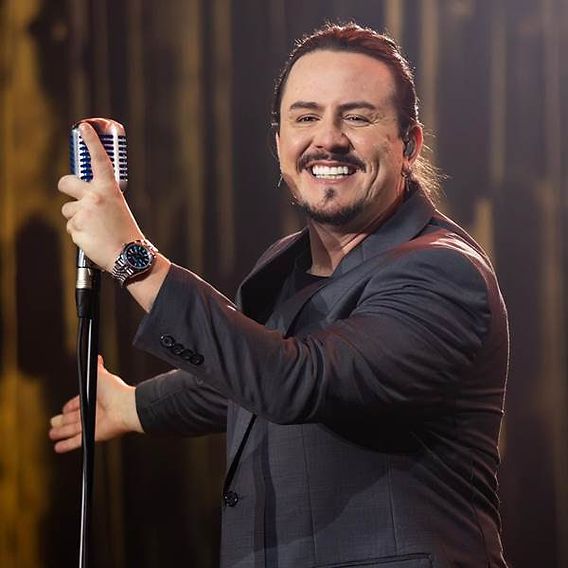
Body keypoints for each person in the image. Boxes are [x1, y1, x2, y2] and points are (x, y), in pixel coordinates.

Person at [50, 22, 509, 568]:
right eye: (305, 117)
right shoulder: (286, 262)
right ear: (278, 143)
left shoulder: (441, 272)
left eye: (357, 117)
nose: (328, 138)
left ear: (408, 144)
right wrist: (134, 405)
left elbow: (299, 380)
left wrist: (136, 260)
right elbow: (247, 376)